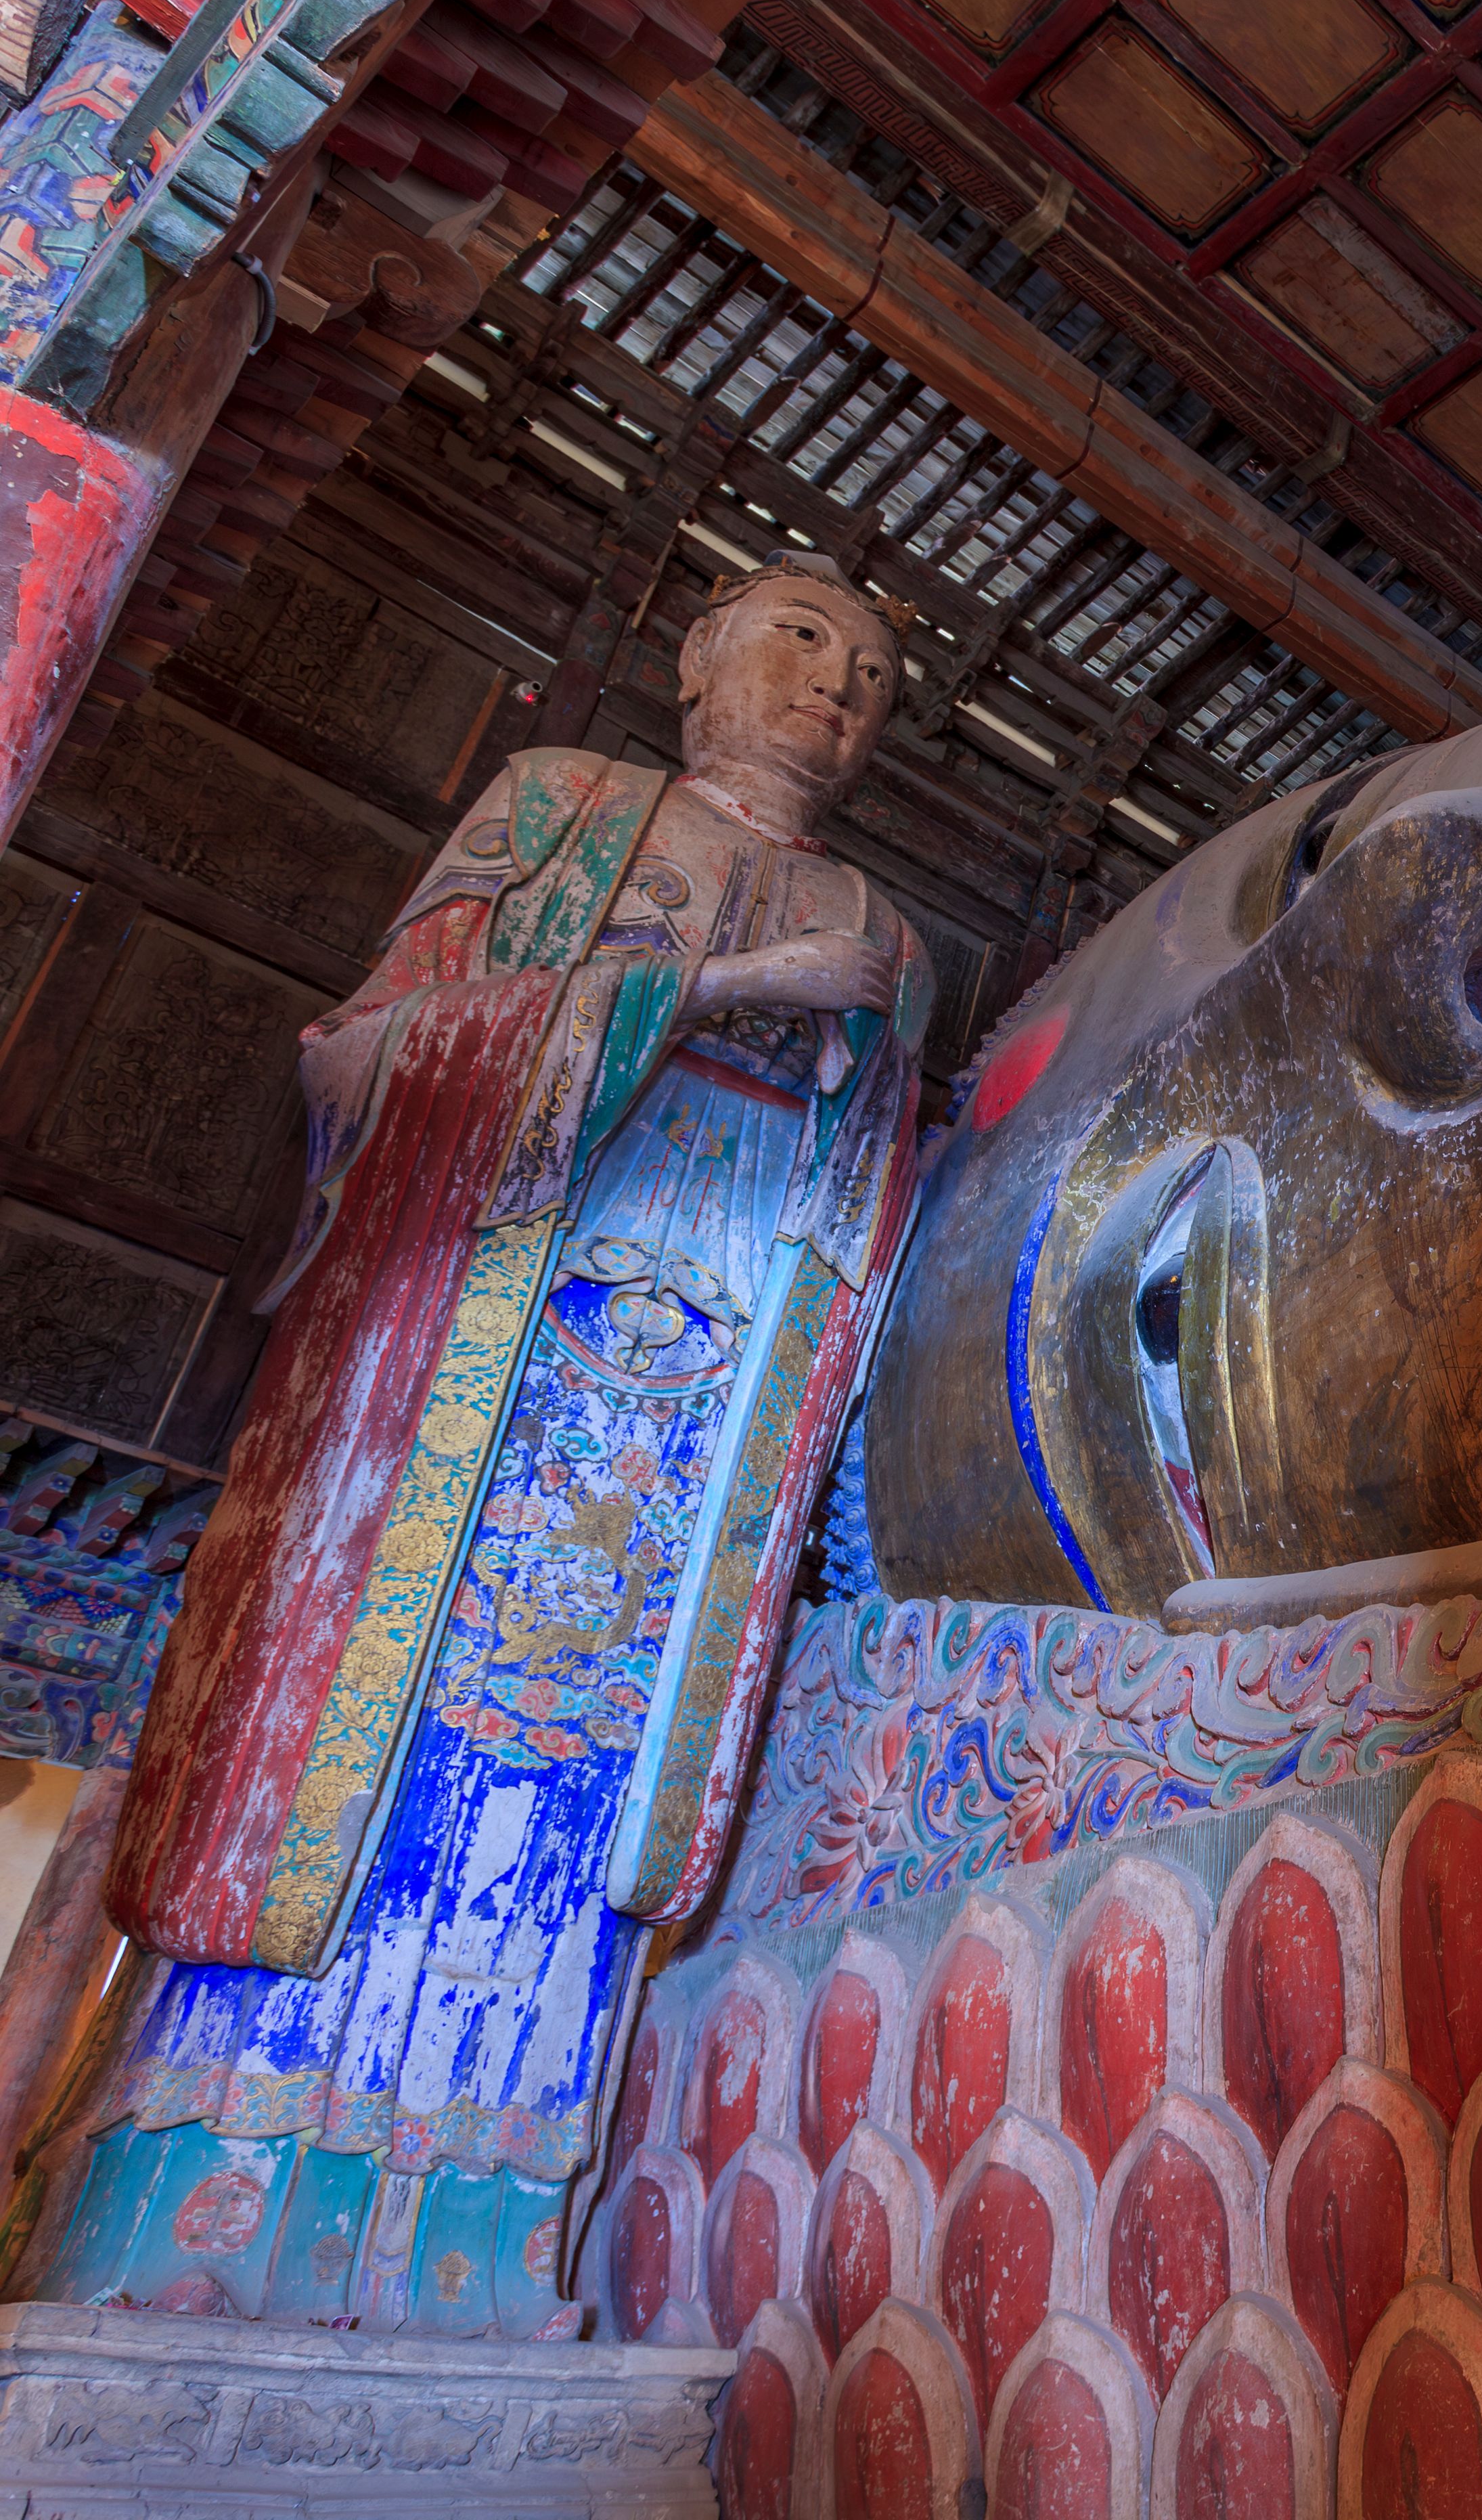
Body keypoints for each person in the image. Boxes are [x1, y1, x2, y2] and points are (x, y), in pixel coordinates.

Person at [46, 554, 929, 2334]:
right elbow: (359, 1058)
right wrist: (701, 991)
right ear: (700, 663)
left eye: (877, 671)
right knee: (357, 1772)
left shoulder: (888, 929)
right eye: (802, 639)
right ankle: (180, 2234)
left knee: (571, 1824)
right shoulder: (563, 805)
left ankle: (489, 2253)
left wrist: (845, 1060)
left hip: (688, 1450)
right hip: (468, 1383)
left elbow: (876, 1211)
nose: (840, 685)